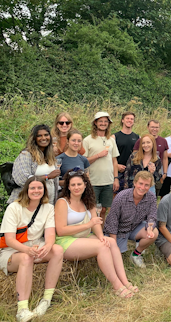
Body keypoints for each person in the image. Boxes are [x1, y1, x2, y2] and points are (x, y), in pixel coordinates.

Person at [55, 170, 138, 298]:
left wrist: (101, 236)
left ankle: (125, 281)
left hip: (84, 236)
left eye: (79, 184)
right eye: (73, 185)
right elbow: (60, 230)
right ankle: (117, 286)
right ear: (68, 187)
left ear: (85, 185)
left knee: (109, 241)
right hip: (66, 239)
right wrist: (88, 225)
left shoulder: (88, 200)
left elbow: (96, 223)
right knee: (101, 247)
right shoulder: (63, 202)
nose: (76, 187)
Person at [0, 176, 63, 321]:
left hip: (35, 244)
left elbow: (50, 234)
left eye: (40, 188)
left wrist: (48, 246)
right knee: (26, 257)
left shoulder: (48, 208)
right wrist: (26, 250)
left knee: (57, 250)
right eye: (33, 188)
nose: (36, 191)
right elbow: (9, 239)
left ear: (44, 190)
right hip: (13, 249)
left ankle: (46, 300)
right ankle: (22, 309)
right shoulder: (14, 207)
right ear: (26, 190)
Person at [104, 171, 159, 267]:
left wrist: (150, 227)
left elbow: (152, 215)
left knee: (154, 233)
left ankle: (136, 255)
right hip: (119, 230)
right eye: (140, 183)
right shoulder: (121, 197)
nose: (142, 188)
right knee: (113, 258)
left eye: (146, 185)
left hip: (135, 227)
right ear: (135, 183)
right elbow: (112, 221)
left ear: (150, 186)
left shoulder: (151, 197)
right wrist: (113, 243)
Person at [9, 125, 60, 205]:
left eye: (46, 135)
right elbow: (22, 179)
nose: (43, 138)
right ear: (34, 138)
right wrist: (47, 176)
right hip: (27, 203)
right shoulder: (26, 155)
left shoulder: (51, 157)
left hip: (47, 203)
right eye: (39, 136)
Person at [83, 112, 120, 221]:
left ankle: (101, 234)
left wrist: (116, 178)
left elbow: (114, 161)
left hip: (108, 181)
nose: (103, 124)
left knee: (103, 209)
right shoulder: (87, 140)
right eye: (101, 121)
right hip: (93, 181)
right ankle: (90, 232)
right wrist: (98, 155)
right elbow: (84, 161)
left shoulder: (111, 140)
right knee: (92, 209)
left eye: (105, 121)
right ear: (95, 123)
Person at [133, 119, 169, 189]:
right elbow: (134, 157)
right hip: (140, 174)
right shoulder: (141, 140)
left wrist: (165, 173)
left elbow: (165, 158)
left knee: (153, 195)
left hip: (156, 174)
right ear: (148, 127)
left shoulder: (163, 141)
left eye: (156, 127)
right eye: (152, 127)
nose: (154, 129)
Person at [112, 112, 139, 192]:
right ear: (122, 120)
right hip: (118, 172)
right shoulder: (114, 137)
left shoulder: (137, 137)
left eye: (132, 119)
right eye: (127, 118)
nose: (129, 120)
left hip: (132, 173)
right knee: (115, 196)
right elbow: (109, 156)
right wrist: (116, 166)